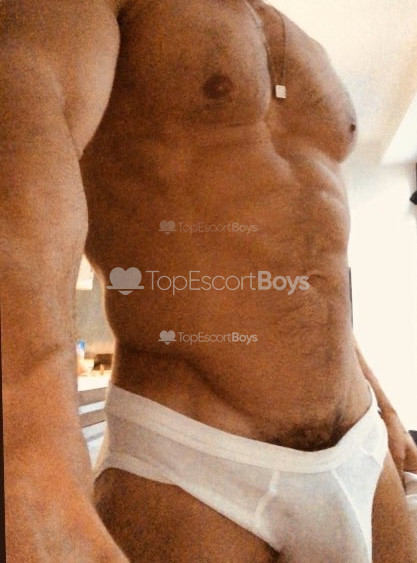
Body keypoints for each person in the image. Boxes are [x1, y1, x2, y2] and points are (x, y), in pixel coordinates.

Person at [1, 0, 417, 560]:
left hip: (361, 439)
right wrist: (32, 467)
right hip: (195, 458)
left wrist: (384, 406)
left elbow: (310, 271)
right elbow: (18, 170)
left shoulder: (303, 44)